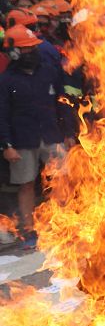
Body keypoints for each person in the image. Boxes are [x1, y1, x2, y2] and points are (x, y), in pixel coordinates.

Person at [0, 26, 68, 249]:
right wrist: (7, 145)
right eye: (26, 49)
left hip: (51, 135)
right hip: (23, 140)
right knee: (26, 185)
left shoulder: (48, 71)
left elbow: (62, 102)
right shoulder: (6, 80)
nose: (31, 52)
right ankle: (30, 231)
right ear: (14, 53)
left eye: (33, 48)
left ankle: (64, 224)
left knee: (61, 180)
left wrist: (68, 132)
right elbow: (2, 115)